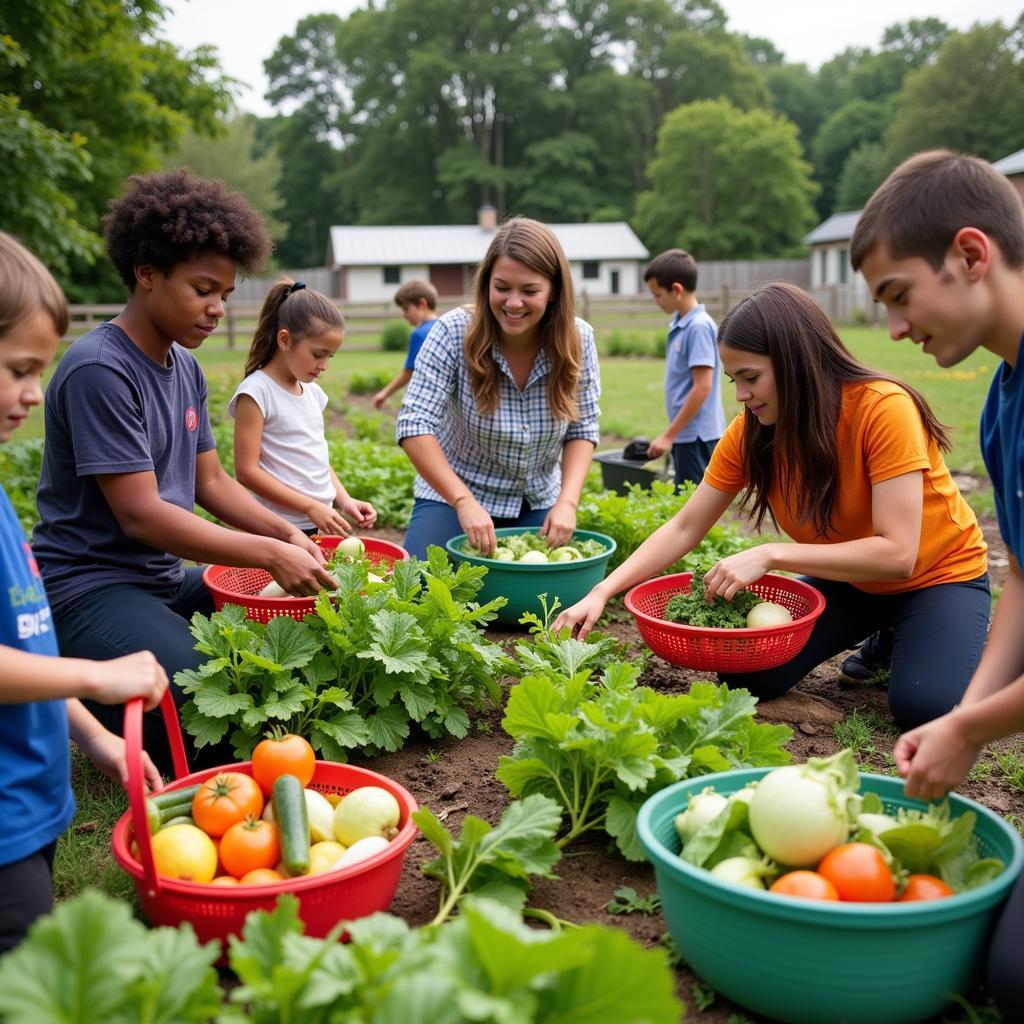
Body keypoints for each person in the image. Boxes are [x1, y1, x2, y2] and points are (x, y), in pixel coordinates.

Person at [554, 281, 990, 732]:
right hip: (851, 581)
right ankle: (885, 629)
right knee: (749, 675)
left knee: (924, 707)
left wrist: (771, 554)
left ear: (797, 364)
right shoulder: (753, 432)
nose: (740, 395)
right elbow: (685, 527)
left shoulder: (882, 409)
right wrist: (604, 591)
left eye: (751, 377)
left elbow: (899, 555)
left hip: (938, 578)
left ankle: (905, 635)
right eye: (733, 380)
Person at [31, 169, 337, 776]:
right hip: (89, 589)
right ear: (147, 273)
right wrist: (268, 555)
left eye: (224, 293)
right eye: (202, 289)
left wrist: (290, 535)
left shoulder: (184, 367)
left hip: (164, 580)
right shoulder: (101, 369)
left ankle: (140, 679)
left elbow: (213, 484)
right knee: (210, 709)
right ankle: (102, 696)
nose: (217, 309)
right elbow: (141, 514)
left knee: (298, 635)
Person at [850, 149, 1024, 1016]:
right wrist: (965, 721)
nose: (894, 328)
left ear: (969, 254)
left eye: (896, 294)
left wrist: (976, 724)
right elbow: (1022, 582)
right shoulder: (1001, 404)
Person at [0, 231, 167, 954]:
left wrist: (93, 733)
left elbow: (23, 639)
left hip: (31, 798)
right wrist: (97, 675)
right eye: (17, 370)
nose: (35, 393)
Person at [396, 216, 601, 559]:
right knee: (419, 588)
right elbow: (414, 424)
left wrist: (567, 502)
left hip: (537, 501)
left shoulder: (579, 339)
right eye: (502, 287)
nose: (513, 303)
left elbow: (583, 427)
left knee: (540, 604)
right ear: (486, 283)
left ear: (553, 292)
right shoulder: (451, 332)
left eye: (530, 291)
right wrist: (462, 501)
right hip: (456, 495)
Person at [230, 278, 377, 537]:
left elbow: (316, 460)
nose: (324, 365)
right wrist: (309, 507)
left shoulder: (312, 393)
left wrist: (344, 500)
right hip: (278, 528)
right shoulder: (256, 393)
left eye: (329, 356)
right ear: (285, 340)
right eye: (317, 354)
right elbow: (247, 472)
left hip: (318, 524)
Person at [643, 249, 725, 487]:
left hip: (696, 437)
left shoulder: (697, 327)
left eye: (658, 295)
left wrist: (669, 435)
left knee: (692, 510)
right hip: (686, 434)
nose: (655, 301)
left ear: (676, 290)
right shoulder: (681, 324)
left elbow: (702, 387)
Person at [373, 279, 438, 409]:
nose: (404, 315)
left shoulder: (419, 334)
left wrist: (384, 393)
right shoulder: (444, 327)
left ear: (422, 304)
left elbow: (408, 372)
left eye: (406, 309)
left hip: (426, 401)